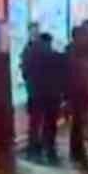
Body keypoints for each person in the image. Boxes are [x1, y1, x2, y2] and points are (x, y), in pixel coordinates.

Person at [65, 25, 88, 167]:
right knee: (79, 121)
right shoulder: (73, 52)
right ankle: (78, 151)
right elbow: (71, 74)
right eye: (82, 35)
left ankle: (78, 150)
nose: (85, 38)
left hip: (82, 90)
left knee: (81, 121)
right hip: (76, 92)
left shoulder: (84, 50)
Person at [34, 33, 65, 164]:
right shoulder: (53, 57)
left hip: (45, 94)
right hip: (50, 94)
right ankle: (48, 148)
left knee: (47, 122)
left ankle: (45, 147)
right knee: (49, 122)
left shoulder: (38, 58)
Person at [20, 23, 44, 159]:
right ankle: (35, 143)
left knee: (37, 118)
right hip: (35, 89)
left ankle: (36, 143)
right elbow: (24, 70)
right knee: (36, 118)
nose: (34, 34)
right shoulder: (30, 49)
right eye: (32, 32)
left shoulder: (31, 49)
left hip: (38, 89)